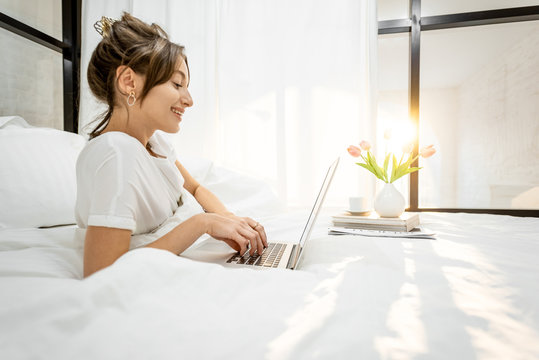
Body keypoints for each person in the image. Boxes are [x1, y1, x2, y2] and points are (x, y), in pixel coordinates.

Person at [76, 13, 267, 278]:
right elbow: (101, 270)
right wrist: (203, 224)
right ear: (129, 82)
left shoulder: (154, 144)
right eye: (177, 84)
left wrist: (228, 220)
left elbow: (196, 188)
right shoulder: (116, 154)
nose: (189, 100)